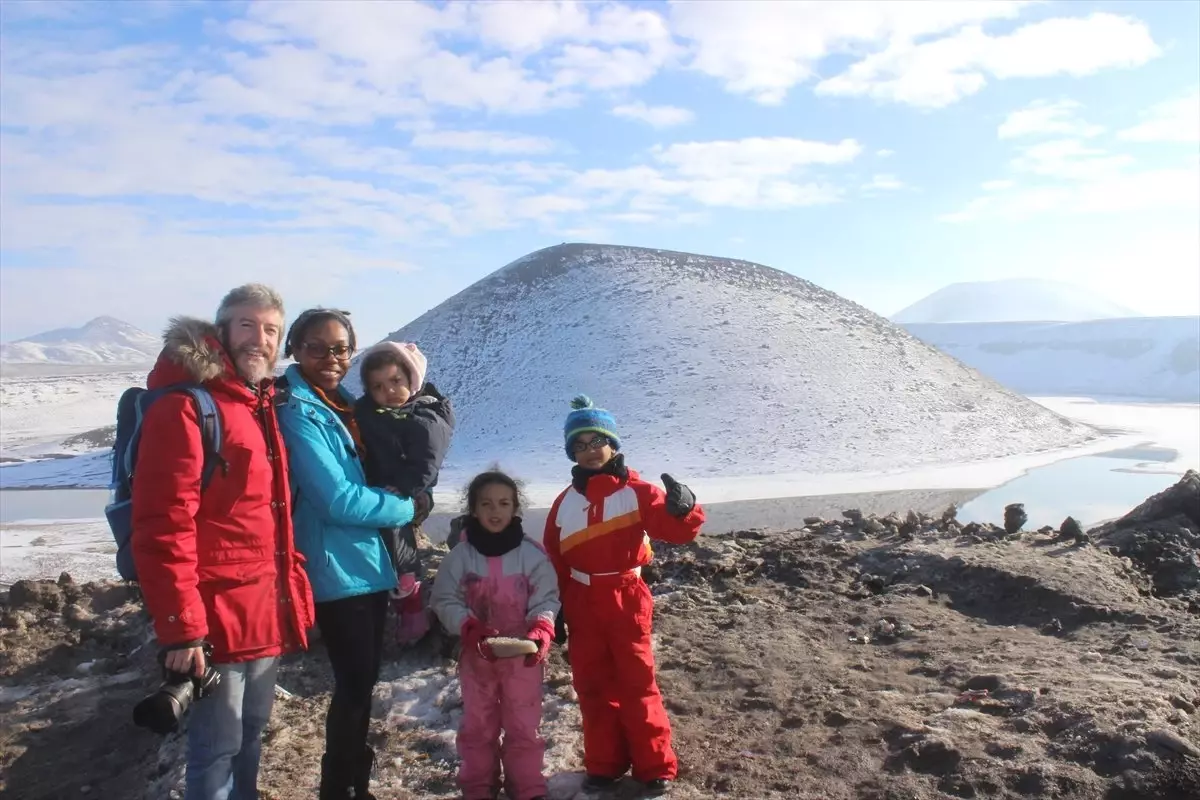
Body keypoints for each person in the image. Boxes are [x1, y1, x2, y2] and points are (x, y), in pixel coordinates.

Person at [131, 284, 314, 800]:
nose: (260, 339)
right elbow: (163, 525)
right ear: (221, 331)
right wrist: (182, 628)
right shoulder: (189, 409)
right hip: (214, 618)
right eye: (247, 325)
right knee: (215, 748)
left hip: (262, 610)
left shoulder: (259, 406)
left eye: (271, 329)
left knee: (251, 737)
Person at [273, 308, 416, 800]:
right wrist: (404, 507)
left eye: (339, 348)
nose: (330, 358)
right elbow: (336, 498)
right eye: (317, 346)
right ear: (294, 348)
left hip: (364, 562)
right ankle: (339, 788)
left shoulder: (341, 403)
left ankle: (355, 782)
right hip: (337, 566)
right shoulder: (298, 410)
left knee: (362, 682)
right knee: (355, 683)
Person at [543, 396, 705, 796]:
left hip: (626, 595)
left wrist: (685, 510)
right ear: (571, 453)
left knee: (637, 682)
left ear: (613, 443)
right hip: (581, 599)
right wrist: (557, 608)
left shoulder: (638, 491)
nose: (589, 451)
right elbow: (554, 556)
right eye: (578, 445)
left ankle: (654, 766)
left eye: (596, 440)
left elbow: (679, 531)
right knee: (592, 685)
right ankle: (604, 764)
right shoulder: (565, 503)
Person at [430, 470, 559, 800]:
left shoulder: (531, 554)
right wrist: (467, 625)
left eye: (504, 503)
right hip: (477, 657)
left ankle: (527, 788)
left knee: (523, 725)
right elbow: (444, 598)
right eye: (485, 503)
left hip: (523, 657)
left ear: (515, 508)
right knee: (478, 726)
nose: (495, 511)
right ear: (473, 509)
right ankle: (478, 788)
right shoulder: (461, 556)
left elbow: (546, 598)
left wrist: (542, 628)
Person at [353, 341, 455, 643]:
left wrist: (407, 488)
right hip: (381, 485)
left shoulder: (426, 416)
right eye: (378, 386)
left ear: (411, 379)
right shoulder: (375, 412)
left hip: (412, 489)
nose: (389, 391)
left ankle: (410, 595)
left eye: (396, 381)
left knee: (398, 529)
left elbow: (428, 461)